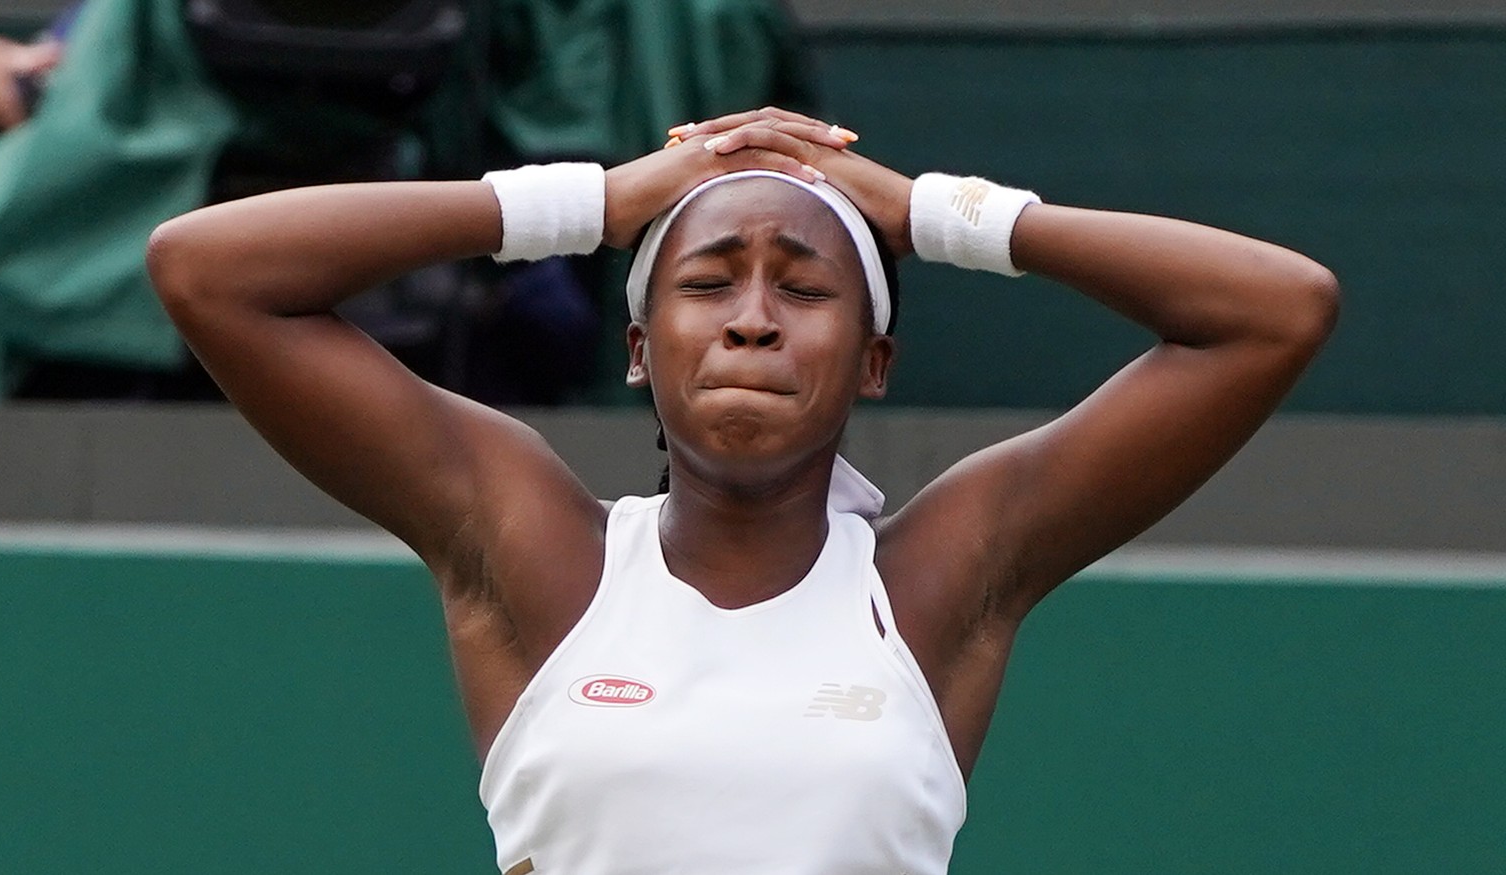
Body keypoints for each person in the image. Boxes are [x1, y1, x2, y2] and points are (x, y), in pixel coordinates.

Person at [145, 106, 1339, 873]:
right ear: (636, 346)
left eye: (805, 289)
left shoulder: (936, 581)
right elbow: (206, 270)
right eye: (709, 281)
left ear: (875, 360)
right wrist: (593, 203)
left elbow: (1273, 312)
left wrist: (935, 213)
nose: (755, 320)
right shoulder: (535, 553)